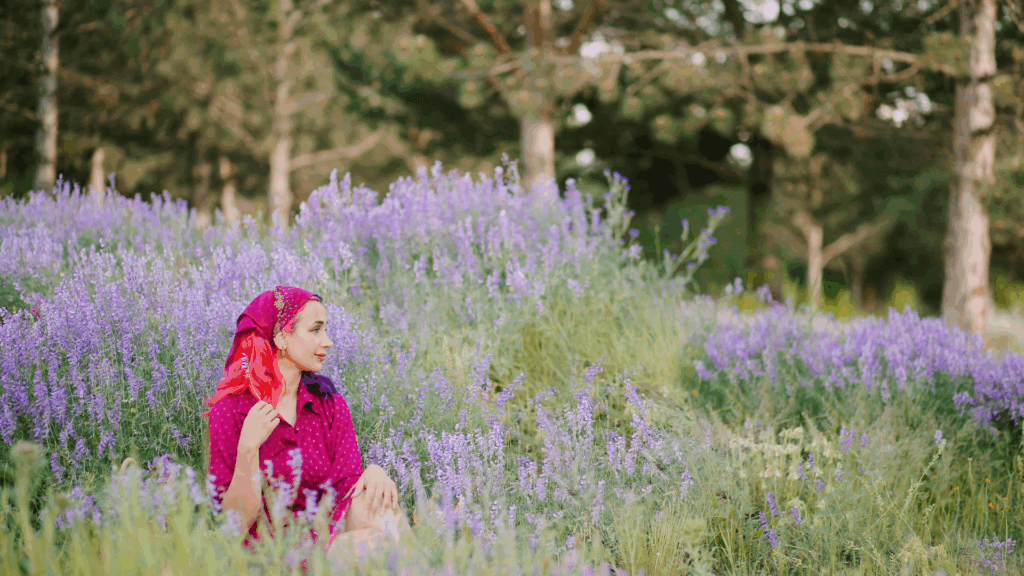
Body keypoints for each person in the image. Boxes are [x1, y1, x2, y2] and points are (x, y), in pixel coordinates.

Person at [203, 286, 409, 563]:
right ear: (281, 338)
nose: (328, 342)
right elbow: (233, 524)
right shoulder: (231, 410)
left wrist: (373, 472)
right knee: (376, 545)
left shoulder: (326, 399)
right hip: (268, 552)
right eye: (315, 330)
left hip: (322, 533)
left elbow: (346, 483)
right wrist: (249, 448)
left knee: (382, 506)